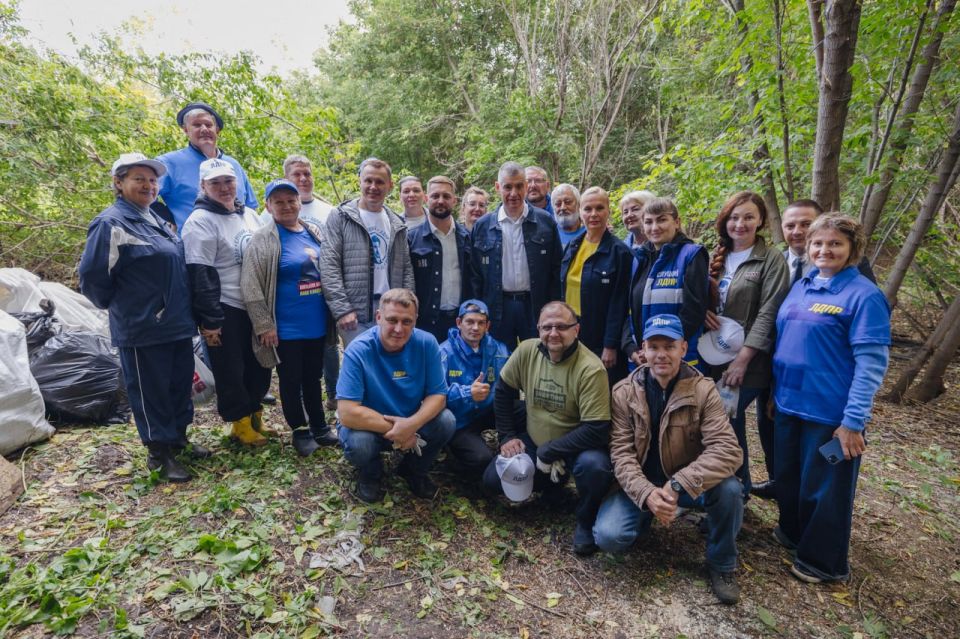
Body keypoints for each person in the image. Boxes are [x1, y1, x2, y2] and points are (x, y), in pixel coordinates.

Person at [593, 314, 744, 605]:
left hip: (687, 486)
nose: (661, 354)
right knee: (609, 537)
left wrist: (677, 485)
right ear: (643, 350)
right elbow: (621, 455)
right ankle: (650, 511)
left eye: (670, 346)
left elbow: (727, 449)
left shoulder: (703, 390)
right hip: (643, 484)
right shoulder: (624, 392)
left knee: (730, 490)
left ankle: (722, 564)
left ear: (683, 348)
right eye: (654, 346)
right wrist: (647, 493)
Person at [772, 213, 890, 584]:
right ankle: (793, 535)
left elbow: (871, 364)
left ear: (852, 249)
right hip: (789, 405)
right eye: (818, 243)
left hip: (831, 415)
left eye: (835, 243)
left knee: (827, 488)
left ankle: (823, 561)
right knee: (789, 479)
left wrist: (854, 422)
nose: (825, 250)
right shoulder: (802, 285)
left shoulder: (864, 296)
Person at [79, 153, 202, 482]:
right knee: (151, 392)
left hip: (176, 322)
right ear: (119, 183)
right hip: (143, 327)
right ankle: (159, 456)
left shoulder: (156, 220)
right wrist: (128, 308)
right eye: (139, 179)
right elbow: (93, 277)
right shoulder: (111, 223)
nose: (148, 185)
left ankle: (178, 440)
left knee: (178, 386)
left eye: (152, 180)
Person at [481, 302, 614, 556]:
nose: (554, 333)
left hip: (576, 446)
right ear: (538, 329)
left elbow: (597, 428)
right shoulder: (527, 350)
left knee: (594, 467)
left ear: (577, 330)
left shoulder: (591, 368)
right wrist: (507, 436)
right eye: (547, 327)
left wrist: (551, 451)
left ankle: (585, 520)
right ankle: (552, 486)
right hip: (536, 439)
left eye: (562, 327)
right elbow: (503, 391)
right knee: (491, 481)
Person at [241, 179, 340, 456]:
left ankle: (320, 426)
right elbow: (251, 285)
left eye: (291, 200)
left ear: (299, 202)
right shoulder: (263, 238)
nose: (286, 206)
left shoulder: (312, 232)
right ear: (268, 206)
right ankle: (299, 430)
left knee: (313, 377)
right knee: (291, 379)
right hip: (285, 327)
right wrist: (263, 324)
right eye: (279, 201)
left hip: (316, 323)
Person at [704, 191, 790, 498]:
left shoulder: (771, 259)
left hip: (748, 363)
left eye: (748, 217)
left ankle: (736, 494)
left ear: (761, 221)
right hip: (713, 356)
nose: (740, 224)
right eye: (734, 217)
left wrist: (743, 359)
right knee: (723, 424)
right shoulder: (718, 255)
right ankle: (734, 490)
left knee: (727, 424)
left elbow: (769, 312)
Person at [181, 158, 271, 446]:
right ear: (203, 186)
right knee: (230, 369)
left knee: (259, 363)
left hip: (254, 305)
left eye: (228, 181)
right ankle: (239, 422)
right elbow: (199, 273)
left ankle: (256, 413)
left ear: (238, 183)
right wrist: (210, 320)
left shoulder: (249, 216)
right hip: (224, 307)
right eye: (215, 183)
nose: (223, 188)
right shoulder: (200, 222)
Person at [336, 289, 456, 502]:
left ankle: (413, 470)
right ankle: (371, 473)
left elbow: (438, 395)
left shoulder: (427, 343)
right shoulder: (358, 350)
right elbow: (347, 413)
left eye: (407, 321)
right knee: (360, 444)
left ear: (415, 321)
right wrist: (400, 430)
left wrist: (411, 424)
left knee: (446, 421)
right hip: (370, 426)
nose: (399, 329)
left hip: (409, 420)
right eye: (392, 320)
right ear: (379, 317)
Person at [320, 157, 415, 345]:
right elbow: (329, 265)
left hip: (391, 311)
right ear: (360, 181)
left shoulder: (397, 223)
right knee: (361, 370)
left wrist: (408, 307)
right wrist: (343, 310)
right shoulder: (341, 216)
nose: (373, 187)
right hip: (355, 315)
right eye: (368, 180)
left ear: (390, 185)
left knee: (389, 369)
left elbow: (406, 268)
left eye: (379, 182)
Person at [470, 161, 563, 349]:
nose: (514, 193)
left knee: (539, 357)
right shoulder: (483, 226)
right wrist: (478, 313)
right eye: (508, 187)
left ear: (526, 186)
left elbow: (556, 271)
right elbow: (475, 276)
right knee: (500, 362)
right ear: (498, 188)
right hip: (497, 307)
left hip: (535, 305)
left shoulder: (545, 222)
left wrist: (554, 310)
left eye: (519, 186)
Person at [622, 198, 709, 369]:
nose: (655, 227)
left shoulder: (691, 255)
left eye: (662, 220)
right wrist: (630, 347)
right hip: (641, 358)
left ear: (676, 222)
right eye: (648, 222)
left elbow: (694, 311)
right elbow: (628, 311)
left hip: (677, 358)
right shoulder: (638, 259)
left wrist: (657, 349)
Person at [282, 154, 339, 411]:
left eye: (307, 173)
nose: (303, 179)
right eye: (297, 174)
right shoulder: (271, 212)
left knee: (328, 346)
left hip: (324, 294)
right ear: (287, 178)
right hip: (291, 304)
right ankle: (302, 404)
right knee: (296, 360)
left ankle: (334, 394)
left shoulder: (329, 212)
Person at [560, 187, 632, 384]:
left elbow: (620, 303)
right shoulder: (573, 245)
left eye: (599, 208)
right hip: (570, 331)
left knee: (600, 390)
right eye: (587, 209)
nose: (593, 214)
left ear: (608, 211)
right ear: (580, 212)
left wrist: (611, 345)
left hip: (600, 336)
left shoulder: (620, 252)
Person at [156, 102, 258, 231]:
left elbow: (250, 206)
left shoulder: (233, 164)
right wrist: (167, 220)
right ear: (186, 130)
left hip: (240, 245)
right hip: (194, 245)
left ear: (217, 130)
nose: (204, 129)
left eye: (209, 125)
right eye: (197, 125)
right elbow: (140, 197)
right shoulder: (169, 163)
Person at [439, 299, 510, 478]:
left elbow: (512, 386)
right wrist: (467, 393)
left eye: (481, 323)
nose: (475, 328)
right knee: (481, 459)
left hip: (488, 412)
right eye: (470, 322)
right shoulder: (443, 353)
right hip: (459, 420)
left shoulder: (500, 350)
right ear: (459, 323)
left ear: (488, 326)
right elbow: (435, 395)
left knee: (521, 409)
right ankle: (453, 462)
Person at [408, 176, 473, 343]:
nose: (440, 201)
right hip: (425, 323)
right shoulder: (411, 239)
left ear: (454, 201)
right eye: (435, 196)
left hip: (461, 322)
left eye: (446, 196)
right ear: (426, 198)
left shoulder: (467, 238)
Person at [781, 199, 877, 285]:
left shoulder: (851, 261)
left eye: (806, 224)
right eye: (790, 226)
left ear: (822, 225)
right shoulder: (775, 263)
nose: (797, 232)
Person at [619, 190, 657, 256]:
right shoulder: (621, 249)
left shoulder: (662, 245)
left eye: (635, 209)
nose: (629, 215)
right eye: (625, 212)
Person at [552, 183, 586, 249]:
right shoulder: (549, 234)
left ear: (578, 204)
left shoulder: (590, 232)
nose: (563, 208)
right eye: (558, 204)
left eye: (568, 202)